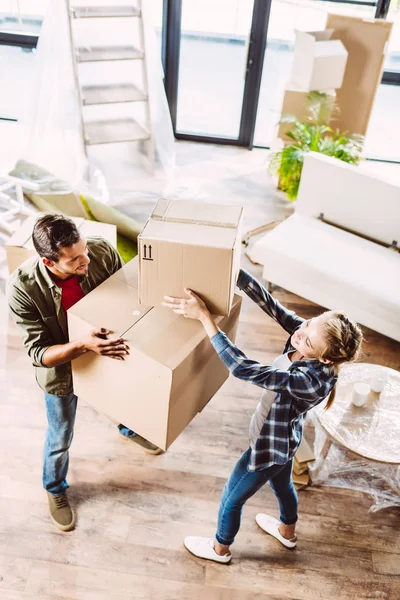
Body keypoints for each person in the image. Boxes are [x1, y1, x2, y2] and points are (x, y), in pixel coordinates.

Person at [162, 268, 363, 563]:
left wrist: (205, 317)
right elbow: (271, 304)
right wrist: (233, 269)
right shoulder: (307, 340)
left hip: (267, 449)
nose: (300, 333)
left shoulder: (311, 380)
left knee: (231, 499)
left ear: (325, 358)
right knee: (283, 487)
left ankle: (220, 549)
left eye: (308, 339)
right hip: (285, 443)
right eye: (308, 323)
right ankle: (287, 532)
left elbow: (244, 369)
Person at [7, 215, 162, 533]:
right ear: (49, 261)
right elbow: (39, 355)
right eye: (74, 259)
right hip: (61, 369)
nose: (86, 260)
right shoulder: (22, 288)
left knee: (117, 397)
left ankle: (128, 428)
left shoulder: (101, 252)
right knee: (60, 436)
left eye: (84, 250)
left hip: (104, 348)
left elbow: (127, 295)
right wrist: (81, 344)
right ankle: (54, 488)